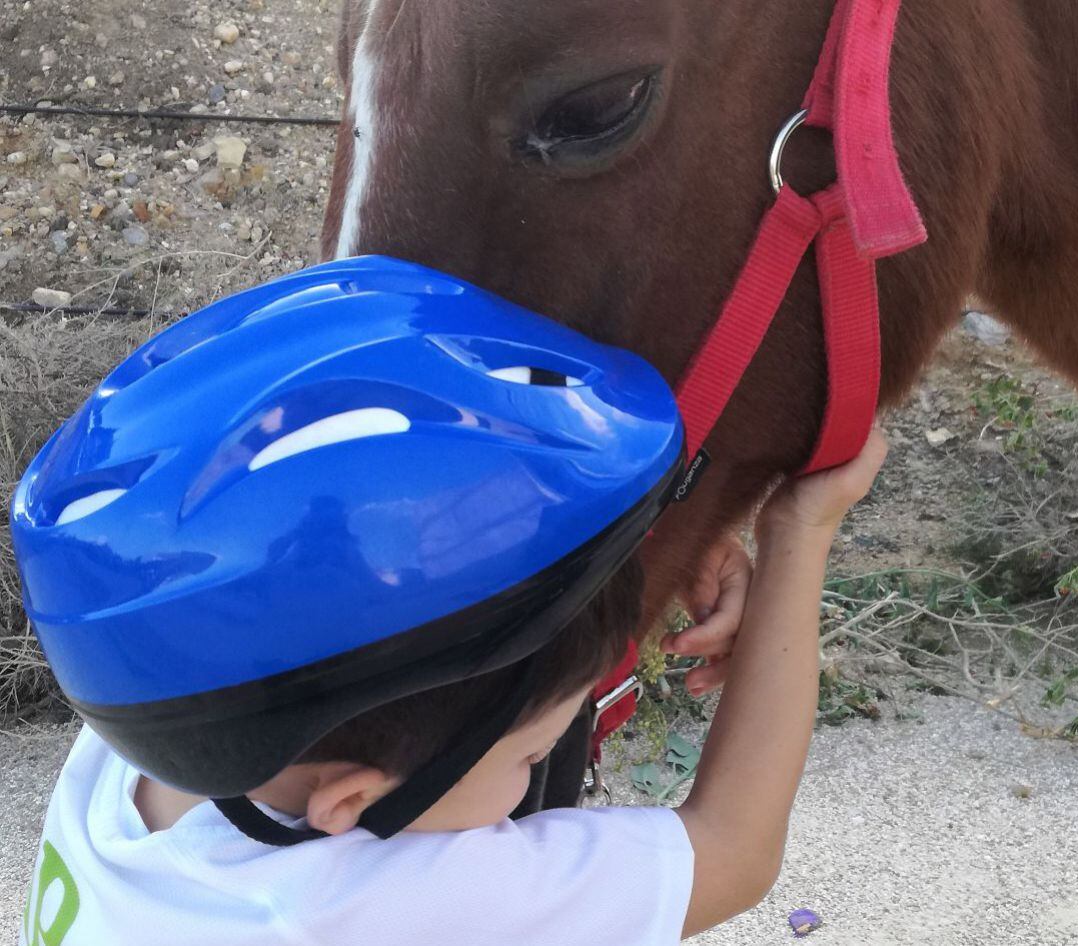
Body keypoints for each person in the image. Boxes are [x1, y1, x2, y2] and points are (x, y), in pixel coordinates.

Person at [12, 257, 887, 946]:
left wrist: (602, 557)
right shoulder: (360, 907)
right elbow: (734, 849)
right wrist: (799, 537)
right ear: (350, 803)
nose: (534, 778)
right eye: (533, 755)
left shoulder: (131, 758)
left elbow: (339, 563)